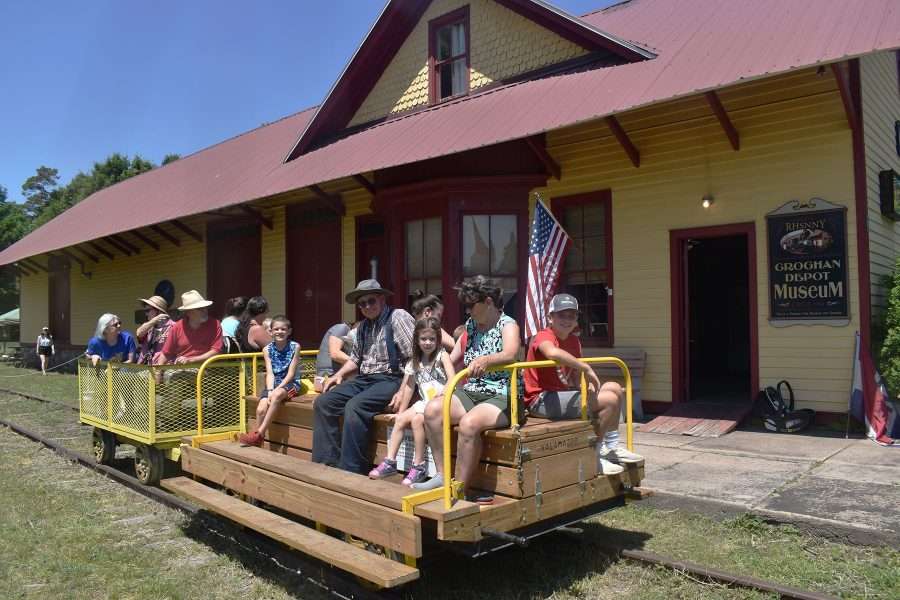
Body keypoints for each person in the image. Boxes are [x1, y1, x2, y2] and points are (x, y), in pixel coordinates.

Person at [414, 276, 522, 504]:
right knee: (433, 410)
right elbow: (454, 357)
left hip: (503, 393)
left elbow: (511, 353)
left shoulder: (508, 324)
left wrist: (488, 360)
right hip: (473, 390)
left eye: (471, 305)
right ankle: (443, 476)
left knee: (469, 424)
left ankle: (460, 489)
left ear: (489, 302)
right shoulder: (471, 326)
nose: (468, 311)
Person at [523, 294, 643, 475]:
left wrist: (588, 387)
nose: (567, 320)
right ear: (550, 317)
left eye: (571, 316)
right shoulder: (543, 336)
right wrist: (586, 368)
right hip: (540, 399)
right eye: (562, 315)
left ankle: (610, 447)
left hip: (563, 395)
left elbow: (575, 374)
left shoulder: (573, 341)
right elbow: (552, 353)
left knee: (615, 388)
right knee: (609, 400)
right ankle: (593, 457)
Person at [312, 279, 415, 474]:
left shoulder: (398, 317)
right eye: (362, 303)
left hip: (392, 378)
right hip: (365, 379)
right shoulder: (362, 327)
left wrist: (403, 391)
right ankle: (326, 465)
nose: (367, 306)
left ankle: (351, 470)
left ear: (382, 299)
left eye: (371, 301)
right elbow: (356, 360)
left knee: (355, 406)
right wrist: (339, 375)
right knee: (324, 402)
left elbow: (414, 358)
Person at [369, 316, 455, 485]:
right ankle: (390, 462)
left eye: (432, 339)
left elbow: (452, 378)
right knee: (400, 419)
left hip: (439, 403)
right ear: (417, 339)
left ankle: (419, 465)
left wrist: (444, 392)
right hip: (424, 402)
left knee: (417, 421)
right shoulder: (414, 361)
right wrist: (400, 411)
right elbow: (409, 387)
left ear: (438, 339)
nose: (428, 343)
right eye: (423, 339)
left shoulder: (442, 356)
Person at [239, 315, 302, 446]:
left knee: (277, 396)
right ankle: (256, 437)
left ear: (289, 331)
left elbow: (291, 374)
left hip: (291, 384)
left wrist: (277, 390)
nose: (280, 332)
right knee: (261, 408)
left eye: (283, 329)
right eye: (276, 329)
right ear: (271, 331)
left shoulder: (295, 347)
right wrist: (269, 390)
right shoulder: (267, 349)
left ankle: (259, 434)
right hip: (274, 383)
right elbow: (270, 373)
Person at [154, 290, 223, 365]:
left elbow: (216, 351)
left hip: (206, 369)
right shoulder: (176, 327)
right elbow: (166, 353)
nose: (205, 311)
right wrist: (158, 373)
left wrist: (190, 360)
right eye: (199, 308)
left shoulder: (215, 324)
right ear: (188, 312)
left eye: (205, 307)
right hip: (182, 369)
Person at [314, 321, 358, 393]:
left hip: (327, 381)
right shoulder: (342, 328)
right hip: (329, 380)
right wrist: (360, 363)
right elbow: (335, 354)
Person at [134, 295, 173, 365]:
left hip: (164, 368)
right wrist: (154, 320)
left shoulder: (173, 327)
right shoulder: (148, 326)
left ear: (159, 311)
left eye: (148, 310)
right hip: (145, 368)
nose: (146, 314)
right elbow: (139, 333)